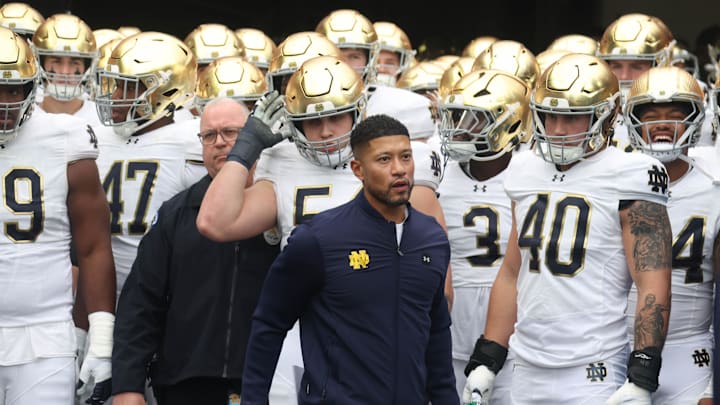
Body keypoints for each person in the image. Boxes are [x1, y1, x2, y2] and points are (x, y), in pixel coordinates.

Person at [198, 55, 448, 404]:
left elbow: (435, 284)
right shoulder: (283, 162)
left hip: (378, 339)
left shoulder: (397, 165)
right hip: (301, 336)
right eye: (313, 121)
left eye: (335, 117)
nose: (327, 131)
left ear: (358, 112)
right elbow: (214, 221)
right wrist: (246, 149)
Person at [462, 53, 672, 404]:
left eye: (572, 118)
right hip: (525, 365)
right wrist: (488, 357)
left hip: (593, 366)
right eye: (550, 115)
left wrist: (643, 372)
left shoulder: (632, 172)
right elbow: (513, 271)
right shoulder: (524, 169)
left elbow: (652, 280)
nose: (558, 129)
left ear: (607, 114)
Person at [240, 114, 457, 404]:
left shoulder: (432, 238)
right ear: (358, 169)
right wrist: (254, 399)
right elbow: (269, 324)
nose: (399, 170)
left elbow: (437, 334)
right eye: (383, 160)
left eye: (405, 157)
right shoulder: (318, 239)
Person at [111, 98, 280, 405]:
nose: (220, 143)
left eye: (232, 132)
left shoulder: (284, 204)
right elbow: (140, 303)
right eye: (209, 135)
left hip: (267, 378)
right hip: (186, 381)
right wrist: (127, 384)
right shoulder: (176, 213)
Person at [0, 27, 116, 404]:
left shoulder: (64, 137)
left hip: (45, 333)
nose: (5, 103)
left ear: (33, 88)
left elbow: (94, 245)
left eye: (14, 89)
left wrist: (100, 336)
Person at [624, 66, 720, 404]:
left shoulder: (714, 191)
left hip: (689, 355)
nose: (662, 124)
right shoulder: (609, 183)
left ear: (696, 120)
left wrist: (713, 387)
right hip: (615, 348)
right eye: (650, 114)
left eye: (674, 114)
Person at [436, 68, 531, 403]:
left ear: (512, 123)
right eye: (457, 116)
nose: (461, 127)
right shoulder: (437, 170)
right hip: (450, 318)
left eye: (475, 119)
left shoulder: (531, 172)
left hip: (513, 322)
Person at [597, 13, 676, 151]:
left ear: (661, 65)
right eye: (616, 66)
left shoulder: (686, 114)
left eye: (636, 66)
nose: (624, 76)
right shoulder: (589, 117)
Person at [32, 13, 101, 126]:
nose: (65, 71)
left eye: (75, 62)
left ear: (87, 66)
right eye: (56, 61)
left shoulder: (102, 121)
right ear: (40, 62)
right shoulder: (22, 119)